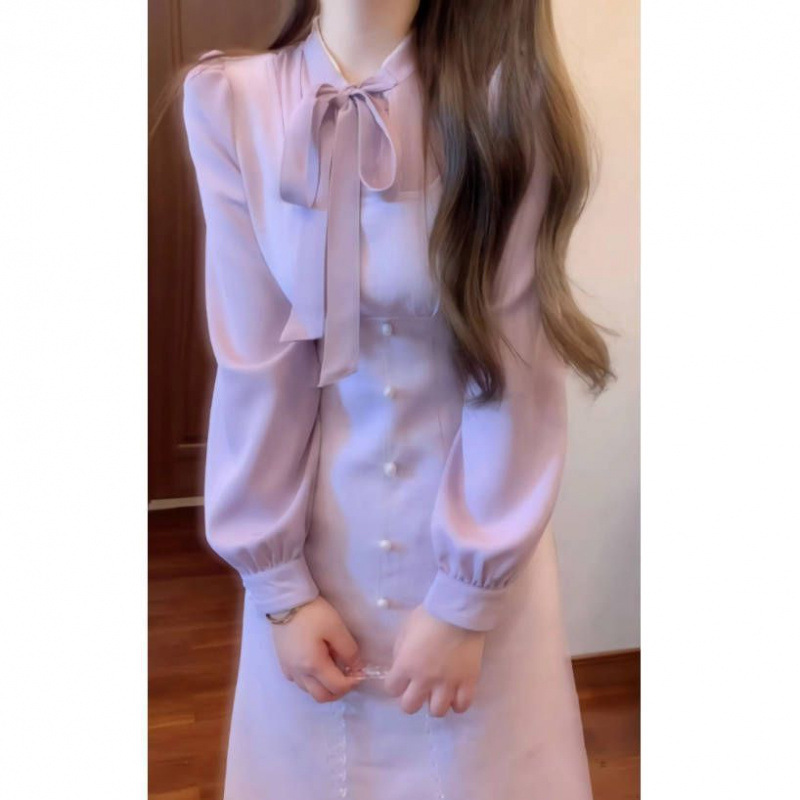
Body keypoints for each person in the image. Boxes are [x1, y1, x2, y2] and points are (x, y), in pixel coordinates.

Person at [181, 0, 612, 797]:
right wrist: (280, 590)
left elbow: (515, 374)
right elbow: (257, 363)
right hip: (313, 556)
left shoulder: (500, 104)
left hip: (481, 555)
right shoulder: (230, 103)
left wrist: (465, 600)